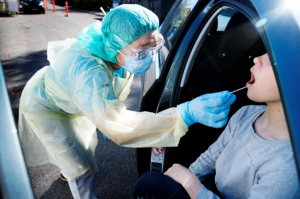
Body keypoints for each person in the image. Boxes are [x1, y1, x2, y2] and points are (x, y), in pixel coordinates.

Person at [18, 4, 235, 199]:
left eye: (154, 43)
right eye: (143, 47)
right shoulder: (88, 75)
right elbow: (119, 126)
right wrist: (184, 114)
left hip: (67, 94)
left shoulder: (117, 50)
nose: (149, 54)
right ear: (118, 44)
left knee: (79, 146)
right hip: (45, 104)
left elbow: (116, 85)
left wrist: (109, 110)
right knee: (78, 162)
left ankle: (67, 171)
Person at [133, 53, 300, 199]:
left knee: (149, 183)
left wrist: (190, 183)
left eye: (274, 59)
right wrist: (182, 178)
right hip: (211, 189)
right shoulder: (248, 113)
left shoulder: (287, 170)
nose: (256, 59)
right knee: (153, 183)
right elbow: (212, 156)